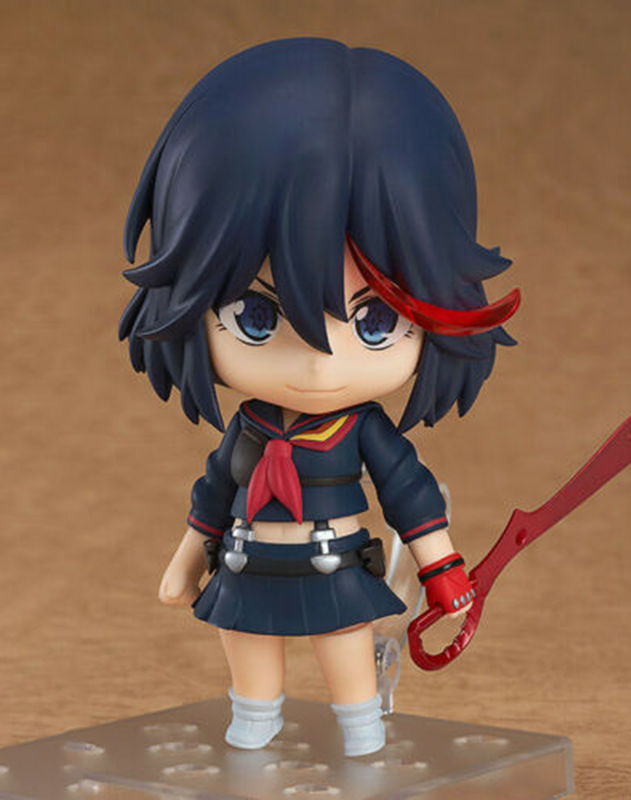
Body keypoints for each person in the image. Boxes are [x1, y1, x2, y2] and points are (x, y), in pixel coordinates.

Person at [119, 38, 519, 757]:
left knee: (345, 649)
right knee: (246, 646)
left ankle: (360, 727)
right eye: (257, 316)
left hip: (334, 564)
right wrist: (186, 560)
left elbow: (409, 492)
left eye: (374, 322)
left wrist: (442, 568)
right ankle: (254, 719)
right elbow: (214, 493)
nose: (317, 362)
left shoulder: (360, 432)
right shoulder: (248, 428)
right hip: (244, 565)